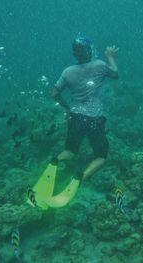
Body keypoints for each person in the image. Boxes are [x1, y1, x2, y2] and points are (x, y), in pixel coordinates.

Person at [51, 35, 119, 181]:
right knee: (100, 156)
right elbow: (115, 73)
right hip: (94, 119)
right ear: (89, 51)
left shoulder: (67, 71)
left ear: (75, 53)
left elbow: (55, 93)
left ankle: (54, 162)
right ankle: (80, 178)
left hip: (75, 117)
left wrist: (67, 107)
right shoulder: (99, 65)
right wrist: (110, 56)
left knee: (69, 151)